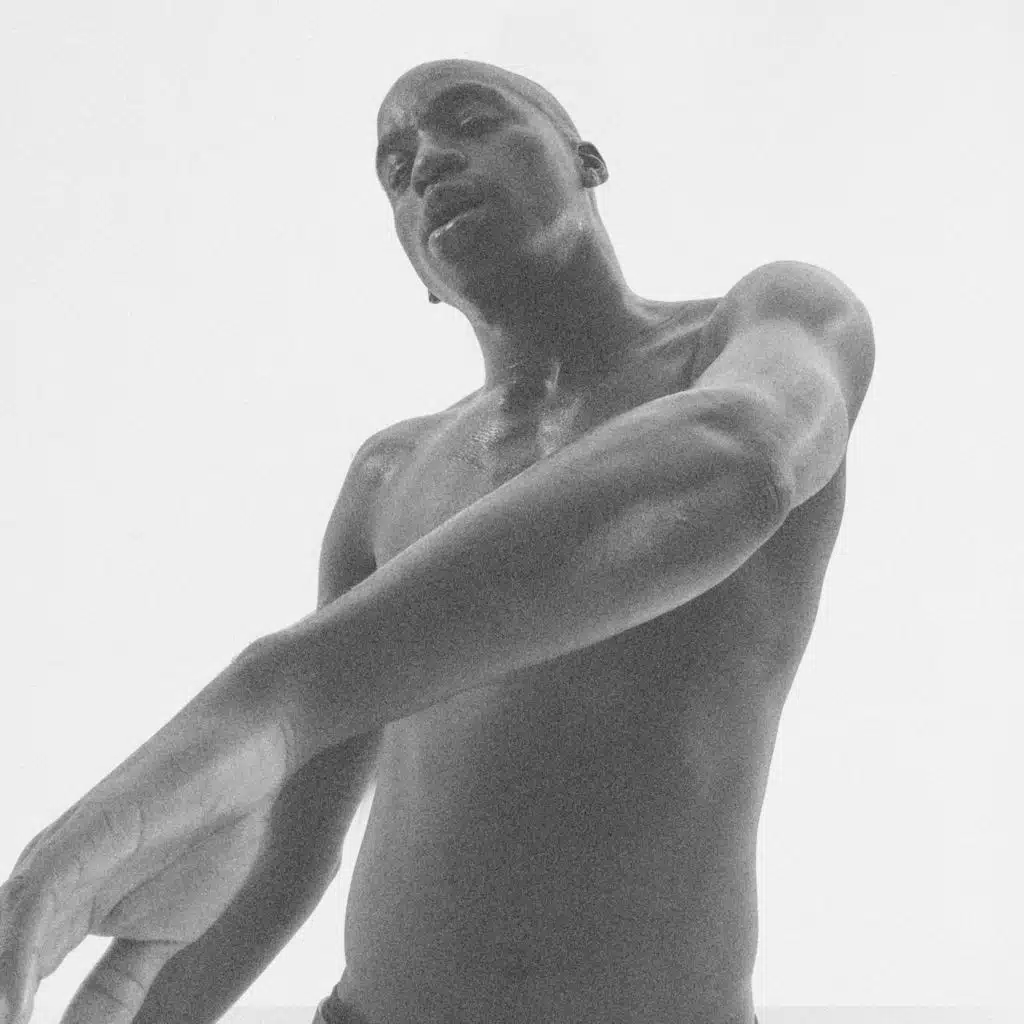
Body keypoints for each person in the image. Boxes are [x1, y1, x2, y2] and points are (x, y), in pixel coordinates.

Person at [0, 58, 874, 1024]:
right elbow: (282, 845)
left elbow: (745, 457)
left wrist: (279, 692)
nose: (427, 165)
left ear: (586, 160)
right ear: (417, 273)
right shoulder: (388, 475)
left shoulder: (765, 325)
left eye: (471, 122)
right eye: (395, 168)